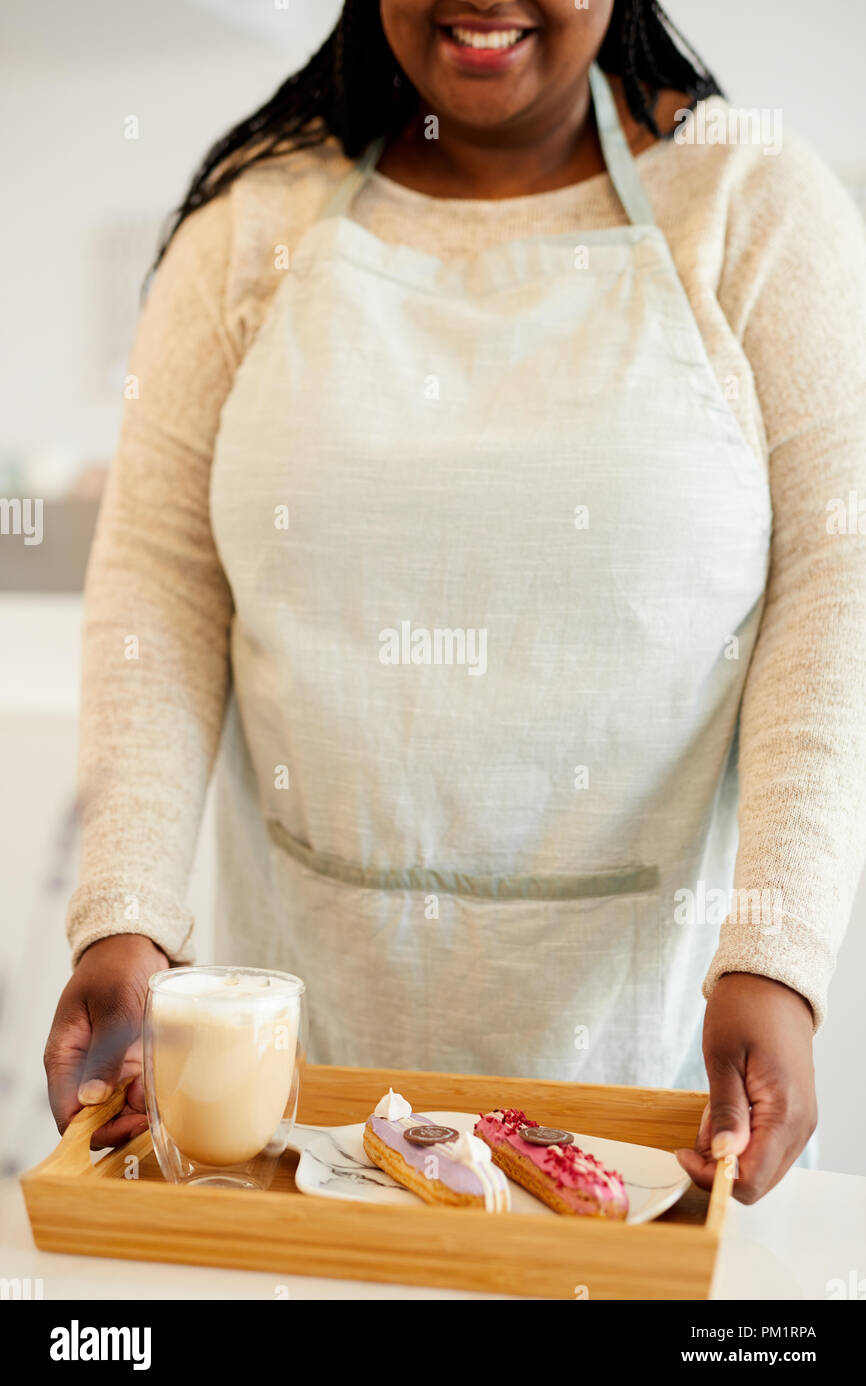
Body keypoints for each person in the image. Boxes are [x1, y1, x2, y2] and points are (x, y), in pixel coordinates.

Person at [45, 1, 866, 1204]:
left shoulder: (751, 204)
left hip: (644, 1095)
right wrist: (124, 916)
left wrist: (777, 956)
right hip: (290, 1101)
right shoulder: (252, 222)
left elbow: (833, 585)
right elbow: (156, 587)